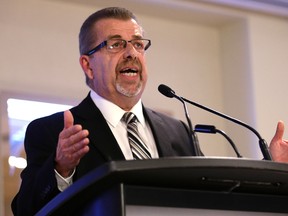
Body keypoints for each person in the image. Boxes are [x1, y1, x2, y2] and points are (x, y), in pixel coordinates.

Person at [11, 6, 288, 216]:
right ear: (87, 65)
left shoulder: (177, 131)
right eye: (116, 44)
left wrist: (275, 174)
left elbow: (216, 194)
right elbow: (25, 210)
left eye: (138, 43)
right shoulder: (51, 131)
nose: (131, 52)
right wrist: (61, 168)